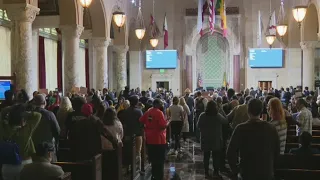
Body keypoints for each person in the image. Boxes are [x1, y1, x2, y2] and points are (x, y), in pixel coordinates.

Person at [227, 99, 280, 180]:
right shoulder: (271, 128)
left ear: (248, 110)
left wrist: (236, 170)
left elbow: (230, 152)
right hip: (266, 172)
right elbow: (277, 151)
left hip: (247, 172)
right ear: (261, 111)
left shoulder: (241, 128)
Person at [0, 104, 42, 180]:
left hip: (7, 166)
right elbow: (38, 115)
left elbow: (2, 113)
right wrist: (25, 113)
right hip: (25, 164)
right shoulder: (26, 129)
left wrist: (12, 108)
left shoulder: (3, 129)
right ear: (23, 120)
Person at [140, 99, 170, 180]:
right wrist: (168, 122)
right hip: (159, 139)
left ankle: (153, 175)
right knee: (160, 159)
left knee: (153, 158)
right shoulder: (159, 112)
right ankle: (159, 176)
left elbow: (141, 120)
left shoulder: (148, 111)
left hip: (150, 139)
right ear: (159, 105)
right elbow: (163, 125)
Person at [198, 100, 228, 178]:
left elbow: (198, 125)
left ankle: (206, 173)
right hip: (216, 139)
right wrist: (221, 110)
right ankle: (216, 172)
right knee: (216, 157)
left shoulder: (202, 115)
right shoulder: (218, 116)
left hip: (205, 139)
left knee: (206, 156)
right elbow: (226, 121)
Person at [32, 94, 60, 162]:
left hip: (33, 148)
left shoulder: (30, 114)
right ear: (45, 102)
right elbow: (57, 131)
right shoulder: (50, 114)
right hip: (48, 149)